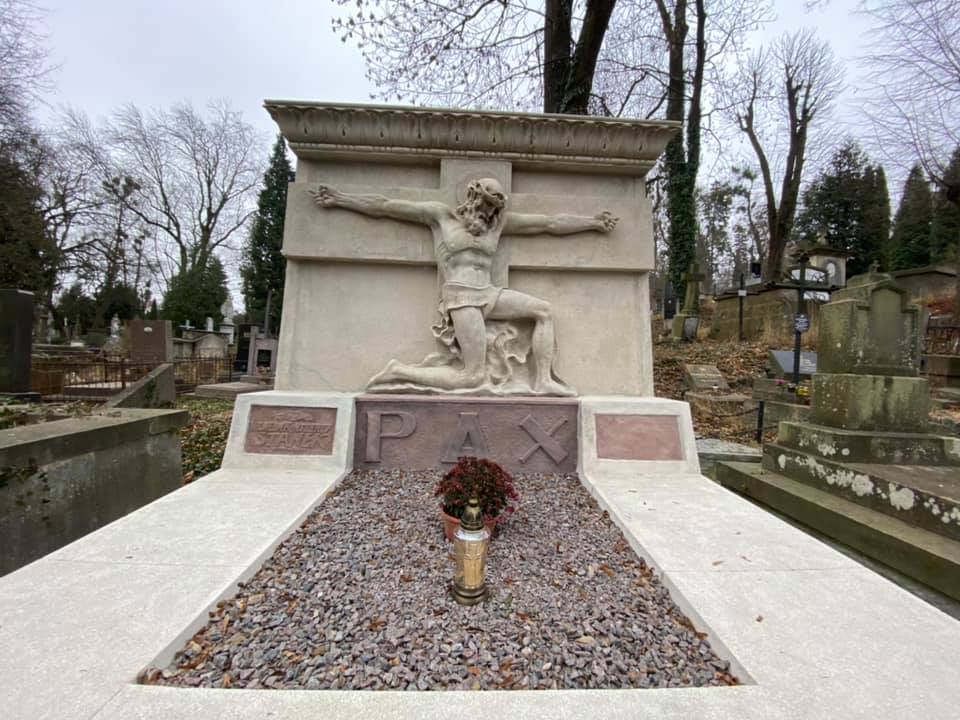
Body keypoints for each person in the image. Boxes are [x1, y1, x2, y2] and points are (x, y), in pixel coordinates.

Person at [310, 177, 617, 395]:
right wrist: (340, 199)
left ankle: (544, 381)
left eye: (493, 208)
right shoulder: (440, 215)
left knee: (544, 311)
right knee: (472, 377)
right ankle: (398, 371)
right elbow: (387, 206)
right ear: (472, 196)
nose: (488, 212)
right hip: (461, 297)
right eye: (485, 203)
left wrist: (592, 222)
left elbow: (548, 224)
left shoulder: (498, 225)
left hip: (489, 292)